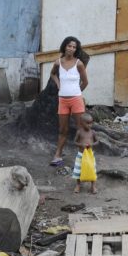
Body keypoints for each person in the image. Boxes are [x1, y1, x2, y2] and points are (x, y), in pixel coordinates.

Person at [49, 36, 88, 167]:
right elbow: (53, 74)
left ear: (76, 49)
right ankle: (58, 155)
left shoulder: (79, 64)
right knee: (63, 130)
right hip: (63, 101)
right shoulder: (58, 63)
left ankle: (83, 157)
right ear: (64, 46)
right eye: (69, 46)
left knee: (80, 129)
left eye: (74, 47)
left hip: (76, 100)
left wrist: (76, 92)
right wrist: (59, 85)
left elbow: (85, 82)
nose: (71, 49)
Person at [73, 112, 98, 194]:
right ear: (81, 123)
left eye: (91, 123)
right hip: (81, 155)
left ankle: (93, 186)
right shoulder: (79, 132)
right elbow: (74, 142)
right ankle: (78, 185)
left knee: (92, 169)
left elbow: (97, 142)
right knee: (78, 170)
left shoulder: (93, 132)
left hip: (90, 155)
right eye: (87, 123)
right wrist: (81, 144)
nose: (90, 125)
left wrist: (92, 144)